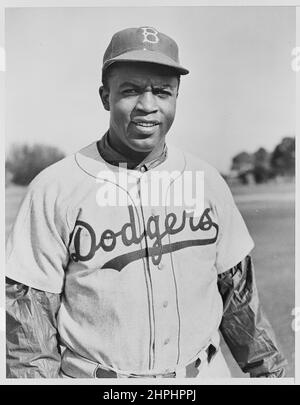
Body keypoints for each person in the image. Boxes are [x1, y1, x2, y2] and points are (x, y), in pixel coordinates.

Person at [6, 26, 287, 379]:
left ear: (176, 98)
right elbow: (28, 325)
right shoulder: (55, 188)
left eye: (162, 92)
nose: (148, 106)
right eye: (131, 90)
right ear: (105, 96)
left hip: (201, 375)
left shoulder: (207, 181)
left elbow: (240, 300)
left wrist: (272, 374)